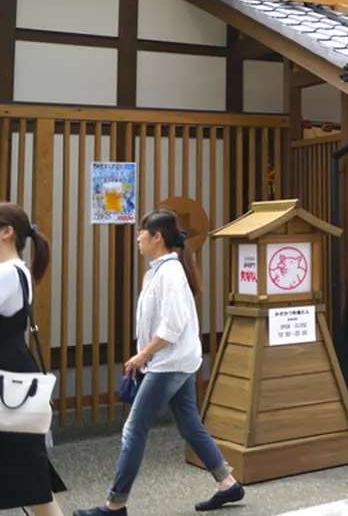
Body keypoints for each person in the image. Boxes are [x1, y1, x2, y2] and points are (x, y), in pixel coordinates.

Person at [74, 210, 244, 515]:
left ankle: (116, 504)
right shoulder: (158, 272)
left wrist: (143, 354)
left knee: (134, 429)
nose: (138, 237)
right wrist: (145, 354)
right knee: (189, 425)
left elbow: (172, 325)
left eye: (142, 232)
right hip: (174, 359)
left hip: (169, 362)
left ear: (157, 237)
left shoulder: (169, 273)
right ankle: (227, 483)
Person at [0, 202, 66, 516]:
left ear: (6, 232)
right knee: (27, 474)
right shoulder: (17, 270)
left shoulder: (7, 273)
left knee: (28, 476)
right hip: (13, 377)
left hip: (7, 380)